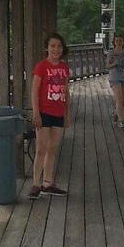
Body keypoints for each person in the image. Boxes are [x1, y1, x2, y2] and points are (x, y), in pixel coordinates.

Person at [30, 31, 71, 199]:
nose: (56, 49)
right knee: (41, 148)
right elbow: (34, 91)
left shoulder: (64, 68)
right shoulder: (41, 66)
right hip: (44, 112)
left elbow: (66, 91)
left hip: (58, 112)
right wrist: (36, 112)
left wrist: (67, 113)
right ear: (46, 48)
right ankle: (35, 184)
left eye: (59, 46)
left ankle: (48, 182)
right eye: (52, 46)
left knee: (53, 148)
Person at [105, 33, 124, 128]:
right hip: (114, 78)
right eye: (117, 40)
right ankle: (120, 120)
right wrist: (114, 64)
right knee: (119, 100)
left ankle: (116, 112)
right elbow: (107, 66)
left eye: (120, 41)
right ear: (114, 42)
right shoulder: (111, 53)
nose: (118, 42)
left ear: (123, 42)